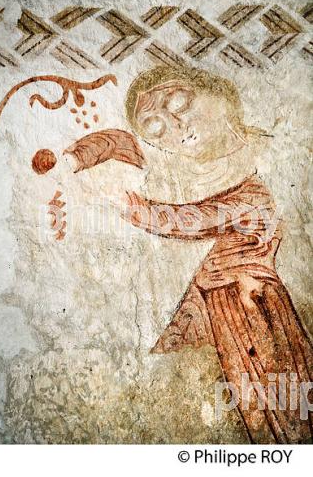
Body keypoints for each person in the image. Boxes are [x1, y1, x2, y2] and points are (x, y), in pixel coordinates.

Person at [124, 65, 313, 444]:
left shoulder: (274, 158)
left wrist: (118, 200)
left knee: (289, 417)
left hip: (254, 306)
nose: (176, 126)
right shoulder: (191, 180)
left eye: (178, 102)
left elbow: (192, 219)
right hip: (225, 311)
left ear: (215, 89)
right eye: (156, 129)